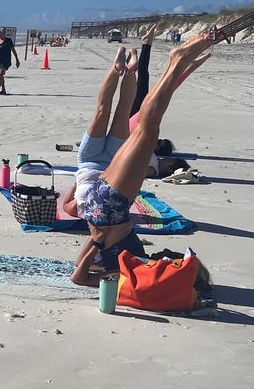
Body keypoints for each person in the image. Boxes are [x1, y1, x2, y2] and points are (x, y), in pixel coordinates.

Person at [71, 33, 215, 286]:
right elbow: (81, 268)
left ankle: (177, 63)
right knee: (143, 129)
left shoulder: (128, 277)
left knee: (147, 131)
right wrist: (96, 242)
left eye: (174, 263)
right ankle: (176, 66)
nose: (167, 259)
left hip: (110, 206)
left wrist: (97, 242)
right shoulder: (134, 265)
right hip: (103, 203)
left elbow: (78, 278)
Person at [59, 47, 140, 221]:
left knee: (122, 112)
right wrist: (79, 181)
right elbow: (67, 200)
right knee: (103, 110)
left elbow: (129, 191)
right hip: (92, 162)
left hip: (113, 163)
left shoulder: (117, 212)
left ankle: (129, 67)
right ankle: (120, 66)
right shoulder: (78, 210)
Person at [0, 28, 20, 95]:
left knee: (0, 75)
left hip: (5, 60)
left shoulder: (8, 41)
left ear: (4, 33)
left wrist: (17, 60)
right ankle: (3, 90)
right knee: (1, 76)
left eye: (0, 33)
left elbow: (13, 50)